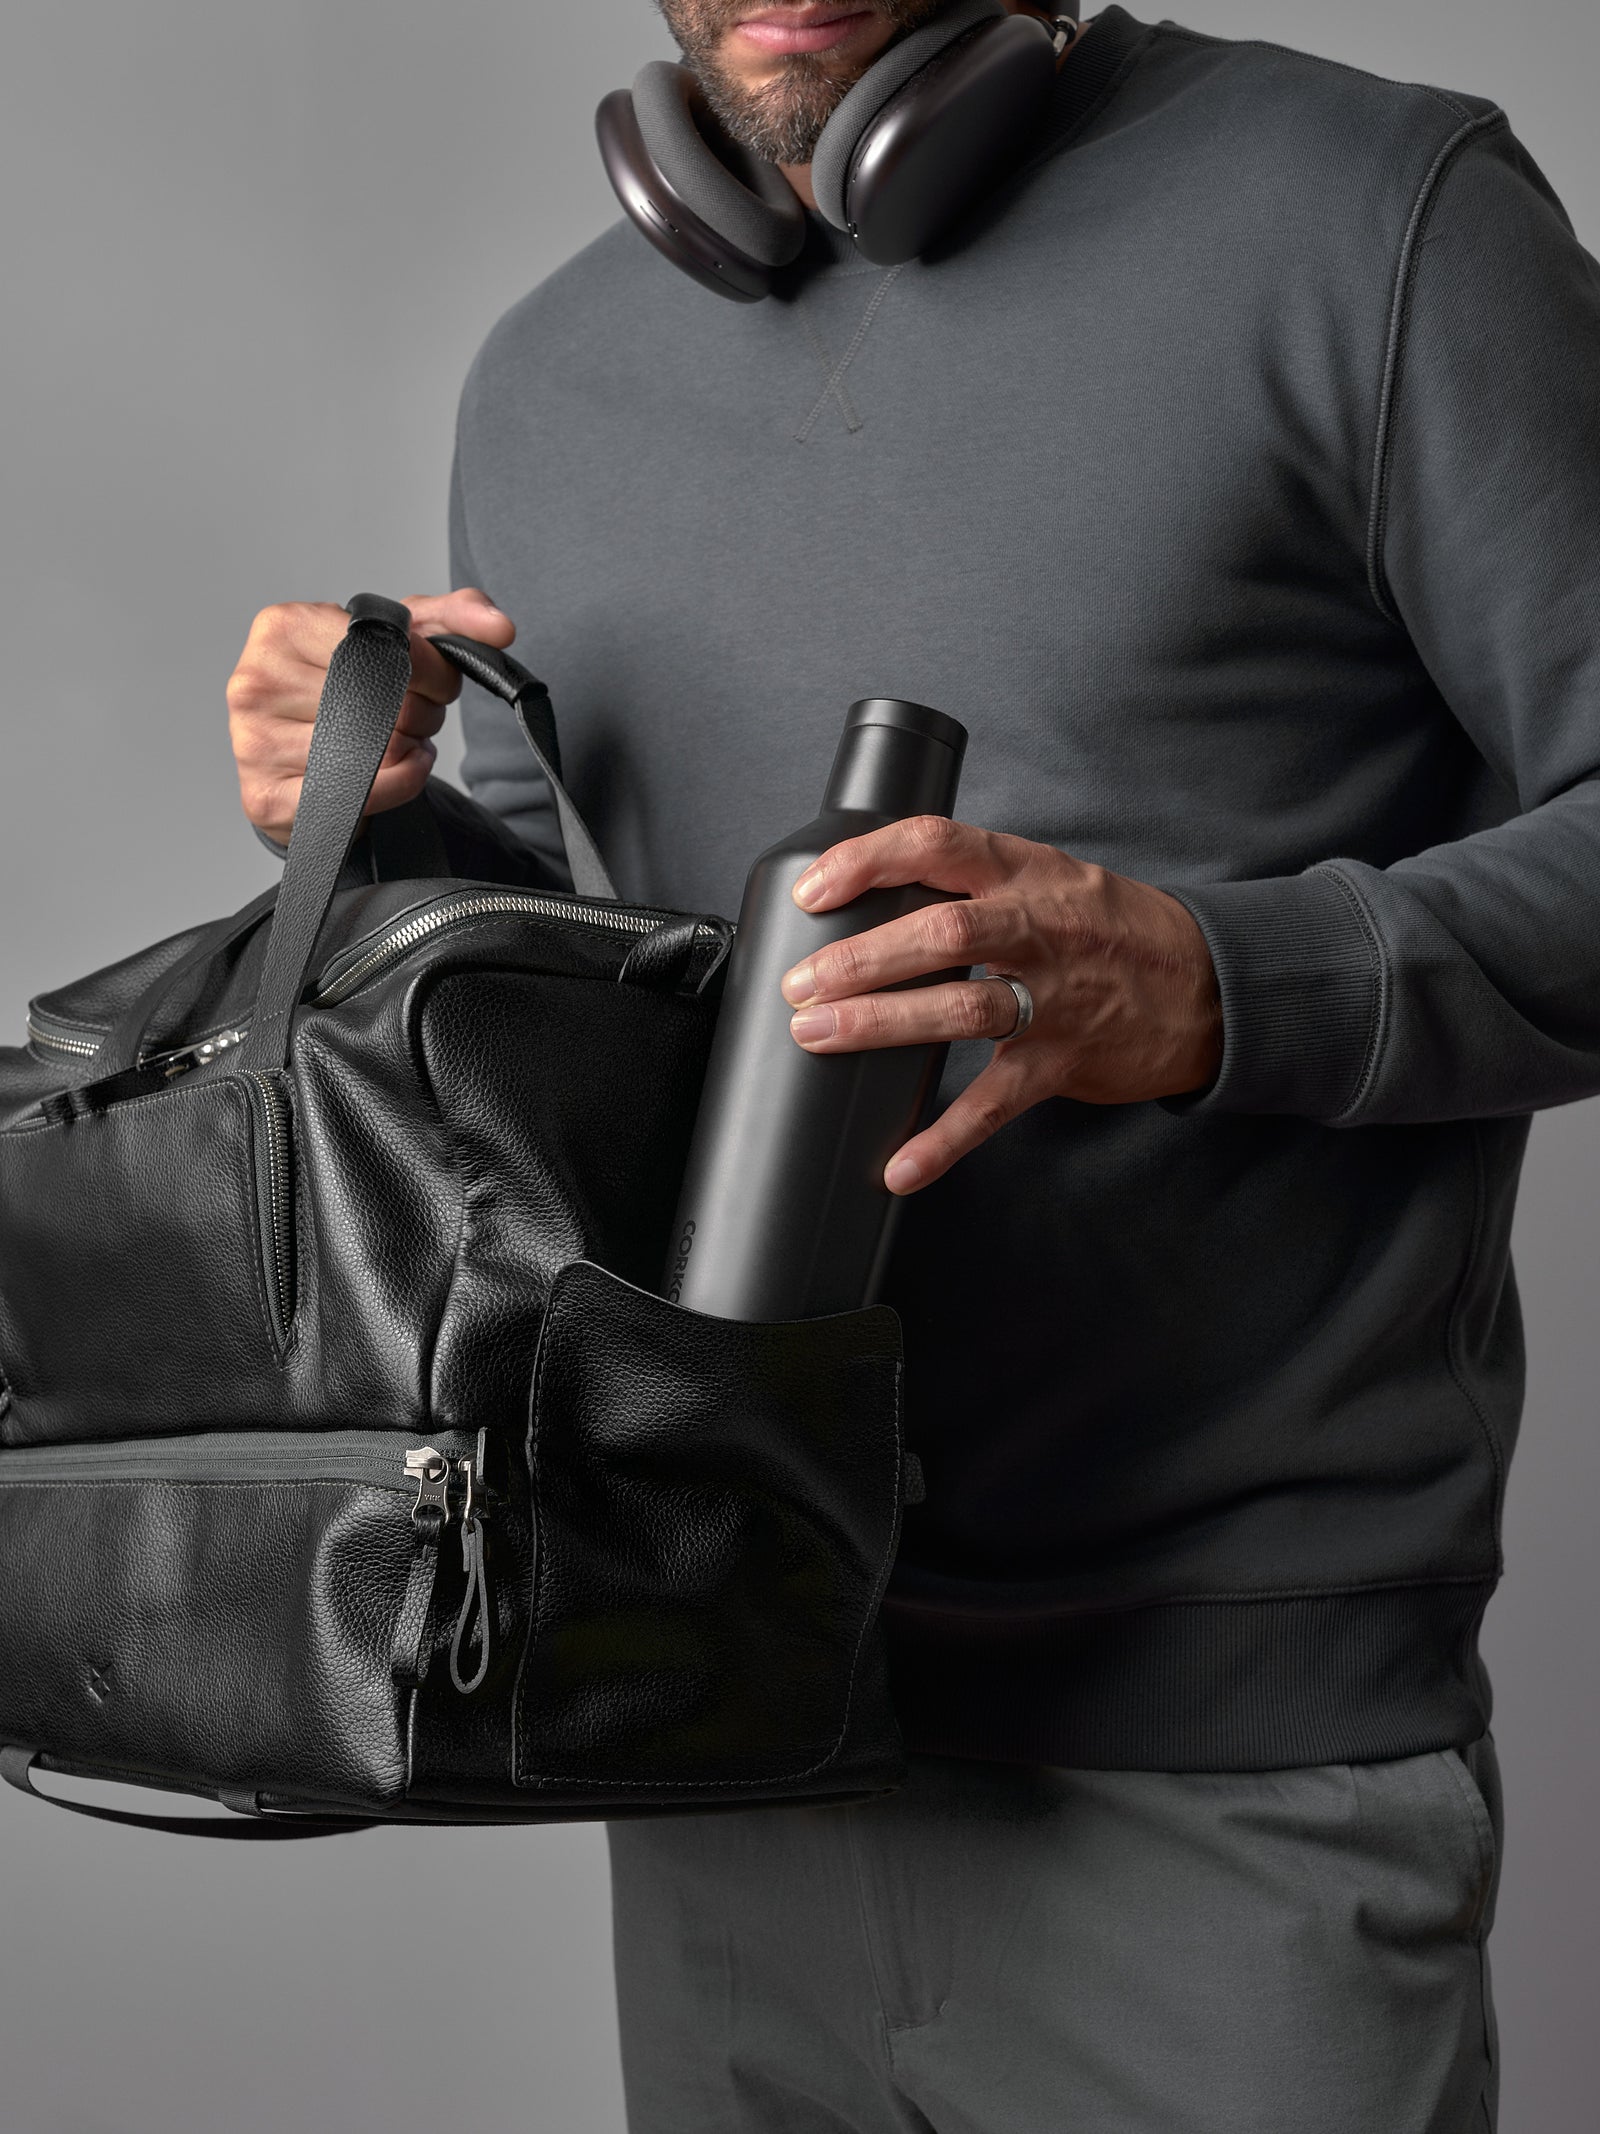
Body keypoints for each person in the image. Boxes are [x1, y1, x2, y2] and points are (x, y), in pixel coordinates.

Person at [225, 4, 1600, 2127]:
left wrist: (1213, 981)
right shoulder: (546, 379)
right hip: (713, 1709)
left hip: (1222, 1775)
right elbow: (587, 1038)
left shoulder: (1383, 218)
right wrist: (376, 824)